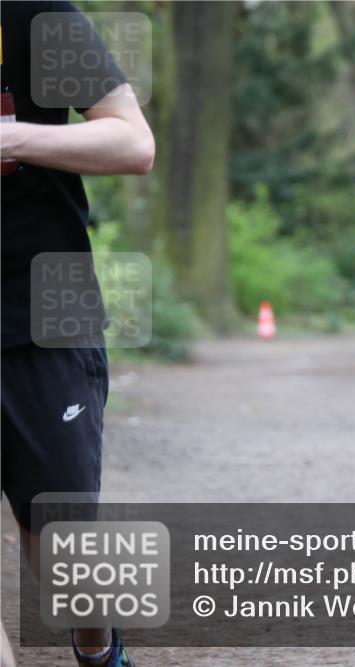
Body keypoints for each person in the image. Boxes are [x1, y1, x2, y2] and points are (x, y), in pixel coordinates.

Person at [1, 3, 155, 665]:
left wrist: (13, 140)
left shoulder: (35, 16)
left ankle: (97, 647)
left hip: (42, 310)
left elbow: (132, 143)